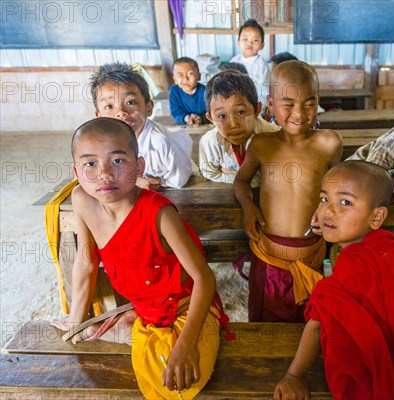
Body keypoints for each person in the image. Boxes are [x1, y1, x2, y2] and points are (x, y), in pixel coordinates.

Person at [51, 118, 230, 399]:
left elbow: (203, 278)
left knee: (182, 381)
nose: (105, 174)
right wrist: (76, 320)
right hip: (146, 306)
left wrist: (186, 344)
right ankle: (122, 324)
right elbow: (86, 261)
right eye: (90, 164)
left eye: (118, 161)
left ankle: (123, 328)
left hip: (184, 306)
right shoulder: (82, 200)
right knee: (156, 370)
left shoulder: (159, 214)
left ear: (140, 166)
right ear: (76, 171)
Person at [273, 161, 394, 399]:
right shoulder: (387, 246)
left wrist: (295, 375)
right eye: (324, 199)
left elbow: (316, 325)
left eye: (345, 202)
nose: (328, 211)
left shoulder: (348, 271)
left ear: (377, 216)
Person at [233, 60, 343, 322]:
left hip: (311, 249)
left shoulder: (329, 142)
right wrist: (248, 208)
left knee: (309, 319)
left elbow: (337, 186)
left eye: (309, 103)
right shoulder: (261, 144)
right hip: (268, 251)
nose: (299, 113)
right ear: (270, 103)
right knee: (266, 319)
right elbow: (241, 181)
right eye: (288, 103)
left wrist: (325, 208)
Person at [91, 62, 194, 189]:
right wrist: (134, 180)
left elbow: (180, 178)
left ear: (148, 107)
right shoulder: (99, 144)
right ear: (99, 116)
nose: (121, 112)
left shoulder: (160, 143)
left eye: (130, 102)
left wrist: (160, 182)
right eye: (109, 106)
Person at [199, 70, 279, 183]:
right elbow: (210, 172)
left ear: (257, 110)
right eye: (222, 116)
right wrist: (237, 178)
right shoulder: (209, 142)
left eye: (240, 112)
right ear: (211, 119)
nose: (233, 124)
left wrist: (230, 173)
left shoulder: (273, 135)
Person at [230, 19, 270, 109]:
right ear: (239, 42)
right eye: (245, 39)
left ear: (262, 45)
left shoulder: (262, 65)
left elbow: (264, 92)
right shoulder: (234, 61)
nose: (250, 43)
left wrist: (257, 108)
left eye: (255, 40)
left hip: (254, 106)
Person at [169, 57, 208, 126]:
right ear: (175, 79)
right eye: (180, 75)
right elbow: (175, 113)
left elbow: (213, 113)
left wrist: (201, 118)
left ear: (199, 76)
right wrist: (186, 118)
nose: (185, 79)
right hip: (185, 126)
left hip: (206, 126)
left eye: (190, 74)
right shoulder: (174, 91)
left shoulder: (206, 91)